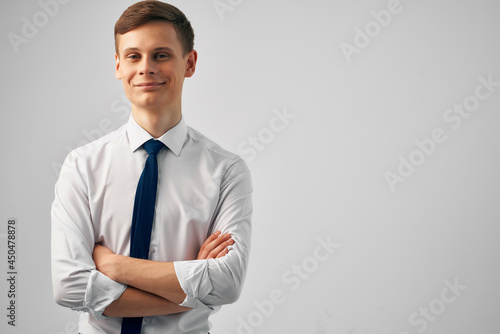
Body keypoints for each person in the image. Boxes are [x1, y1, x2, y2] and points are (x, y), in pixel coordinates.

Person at [50, 1, 253, 333]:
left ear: (189, 63)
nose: (146, 68)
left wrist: (114, 266)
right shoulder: (82, 167)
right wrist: (192, 287)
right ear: (118, 66)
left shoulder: (226, 170)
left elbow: (226, 283)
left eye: (161, 55)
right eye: (133, 56)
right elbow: (69, 286)